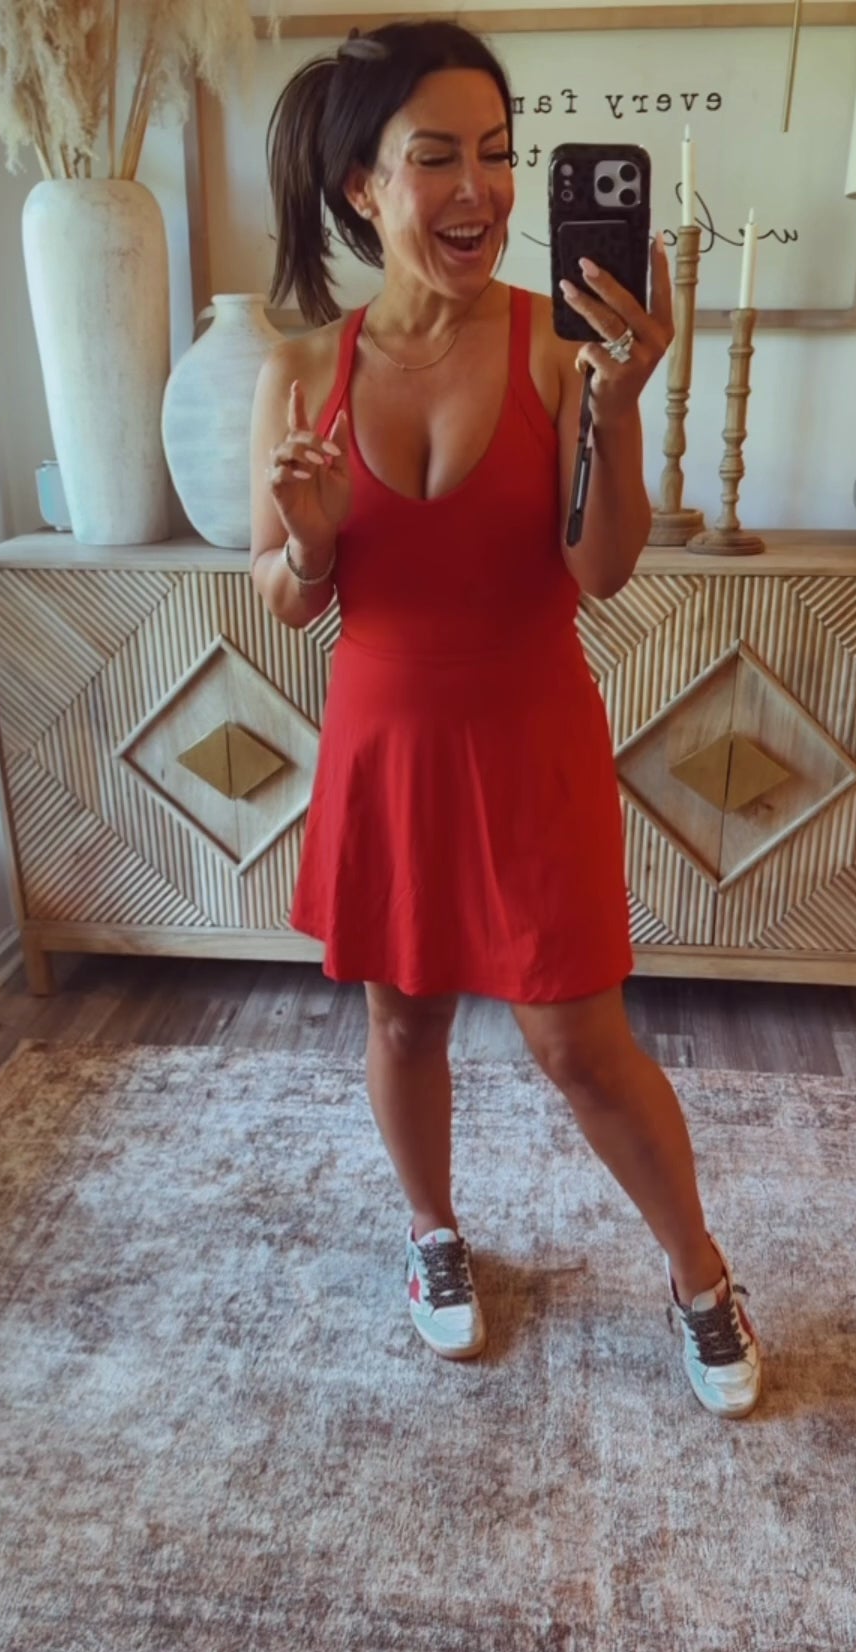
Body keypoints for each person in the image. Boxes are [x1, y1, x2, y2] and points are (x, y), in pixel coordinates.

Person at [249, 21, 762, 1418]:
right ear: (363, 186)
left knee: (579, 1044)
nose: (478, 189)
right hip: (385, 747)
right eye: (437, 158)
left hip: (534, 742)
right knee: (402, 1018)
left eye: (498, 153)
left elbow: (601, 570)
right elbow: (286, 598)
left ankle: (701, 1275)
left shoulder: (557, 350)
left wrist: (619, 406)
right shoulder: (300, 367)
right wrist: (310, 539)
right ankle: (432, 1235)